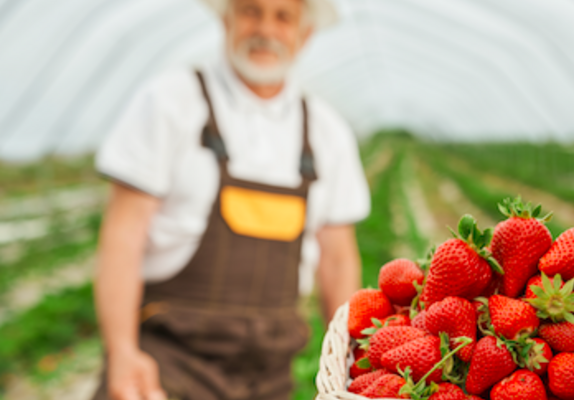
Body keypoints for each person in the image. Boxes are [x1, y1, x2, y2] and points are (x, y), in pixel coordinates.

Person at [91, 0, 370, 398]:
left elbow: (338, 258)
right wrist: (121, 352)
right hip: (168, 363)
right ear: (227, 19)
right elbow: (124, 236)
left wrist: (350, 366)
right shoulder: (170, 102)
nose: (266, 29)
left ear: (305, 33)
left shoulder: (327, 132)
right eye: (251, 11)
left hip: (271, 376)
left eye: (283, 16)